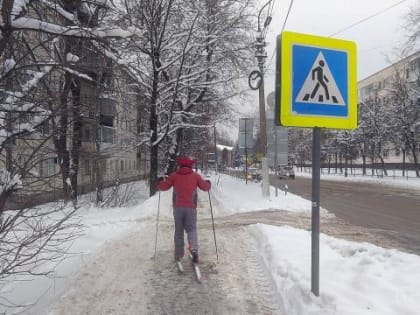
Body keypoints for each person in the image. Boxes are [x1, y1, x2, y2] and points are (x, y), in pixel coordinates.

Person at [157, 157, 211, 264]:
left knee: (179, 231)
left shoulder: (174, 176)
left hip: (178, 209)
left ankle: (179, 254)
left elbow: (164, 187)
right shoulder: (196, 176)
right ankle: (194, 250)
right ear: (190, 166)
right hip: (191, 208)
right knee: (191, 230)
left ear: (180, 166)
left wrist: (159, 182)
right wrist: (208, 184)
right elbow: (205, 187)